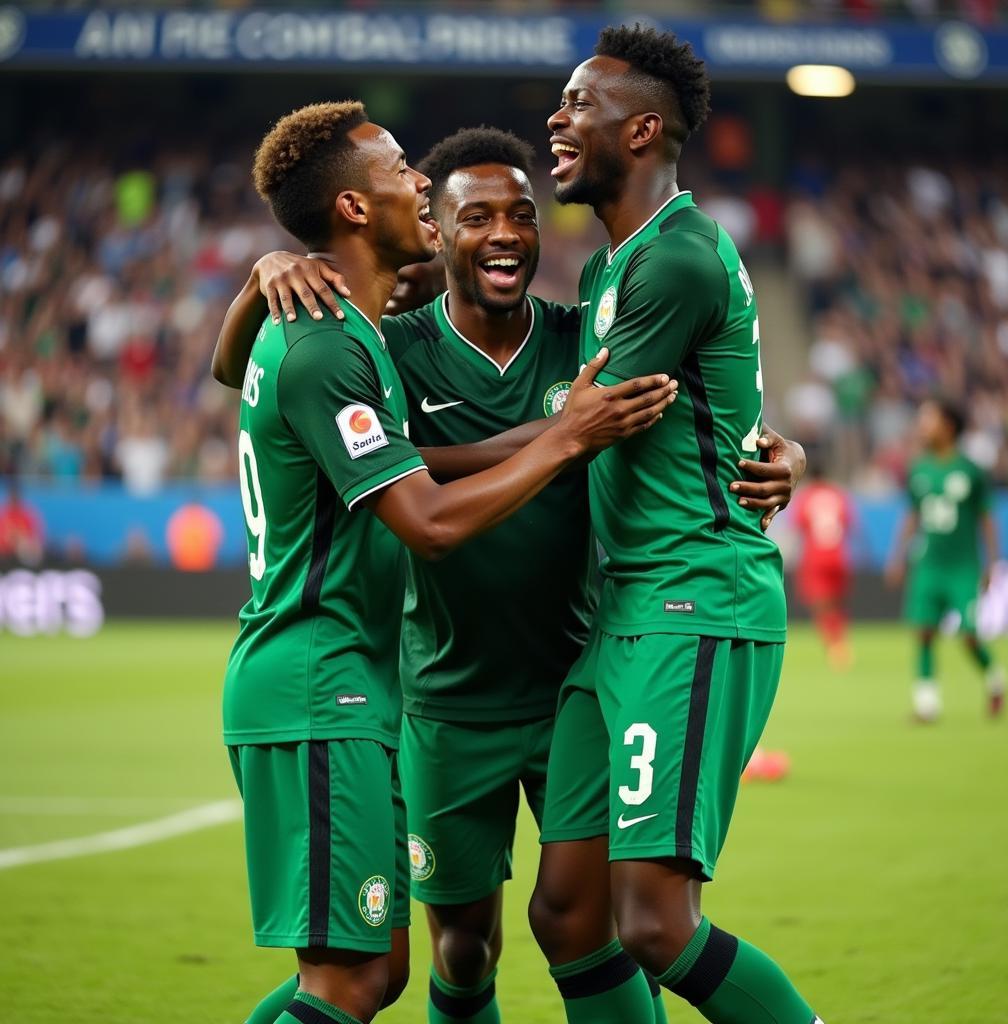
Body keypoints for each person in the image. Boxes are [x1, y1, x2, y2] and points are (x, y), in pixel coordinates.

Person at [214, 125, 806, 1024]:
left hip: (576, 675)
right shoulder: (384, 346)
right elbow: (385, 473)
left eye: (522, 217)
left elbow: (701, 401)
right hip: (439, 694)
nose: (504, 234)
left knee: (587, 926)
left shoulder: (585, 344)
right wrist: (266, 273)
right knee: (447, 949)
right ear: (439, 234)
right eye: (474, 214)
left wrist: (782, 452)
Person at [528, 25, 824, 1024]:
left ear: (642, 129)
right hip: (622, 613)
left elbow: (573, 436)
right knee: (568, 910)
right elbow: (717, 415)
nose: (556, 120)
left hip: (692, 602)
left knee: (654, 921)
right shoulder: (615, 269)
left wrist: (402, 470)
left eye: (579, 104)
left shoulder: (677, 260)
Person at [886, 397, 1006, 722]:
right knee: (924, 631)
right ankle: (927, 705)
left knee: (968, 633)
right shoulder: (919, 469)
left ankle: (995, 679)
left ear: (948, 426)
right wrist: (897, 556)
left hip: (963, 565)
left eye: (929, 418)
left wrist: (993, 563)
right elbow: (913, 514)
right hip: (928, 563)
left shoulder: (971, 471)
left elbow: (987, 519)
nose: (923, 425)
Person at [791, 454, 856, 669]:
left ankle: (835, 648)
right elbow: (849, 525)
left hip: (816, 557)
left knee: (820, 605)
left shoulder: (806, 497)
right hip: (838, 556)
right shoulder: (838, 495)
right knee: (837, 602)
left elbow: (798, 527)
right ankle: (841, 641)